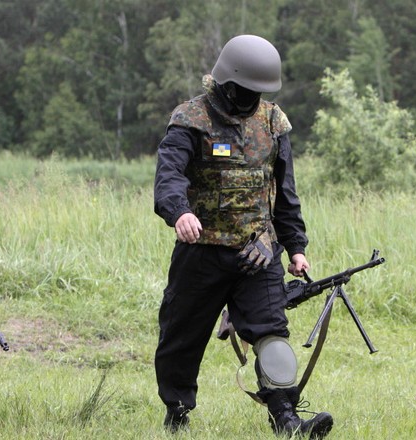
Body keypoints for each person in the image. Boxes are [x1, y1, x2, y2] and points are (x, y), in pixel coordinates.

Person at [153, 35, 333, 438]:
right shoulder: (190, 119)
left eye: (260, 91)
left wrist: (296, 247)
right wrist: (179, 212)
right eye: (248, 90)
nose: (253, 98)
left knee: (272, 333)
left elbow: (285, 193)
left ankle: (286, 420)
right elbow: (168, 177)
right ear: (228, 83)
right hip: (201, 253)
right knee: (180, 340)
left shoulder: (273, 122)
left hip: (259, 252)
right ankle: (177, 412)